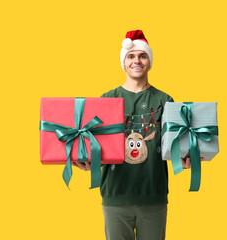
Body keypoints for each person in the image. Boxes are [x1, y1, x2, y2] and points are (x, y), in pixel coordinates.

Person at [73, 30, 192, 240]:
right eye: (131, 56)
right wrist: (89, 162)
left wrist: (182, 160)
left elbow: (171, 145)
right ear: (124, 62)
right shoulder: (107, 99)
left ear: (149, 61)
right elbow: (97, 144)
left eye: (142, 55)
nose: (137, 60)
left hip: (153, 197)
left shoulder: (165, 99)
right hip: (115, 195)